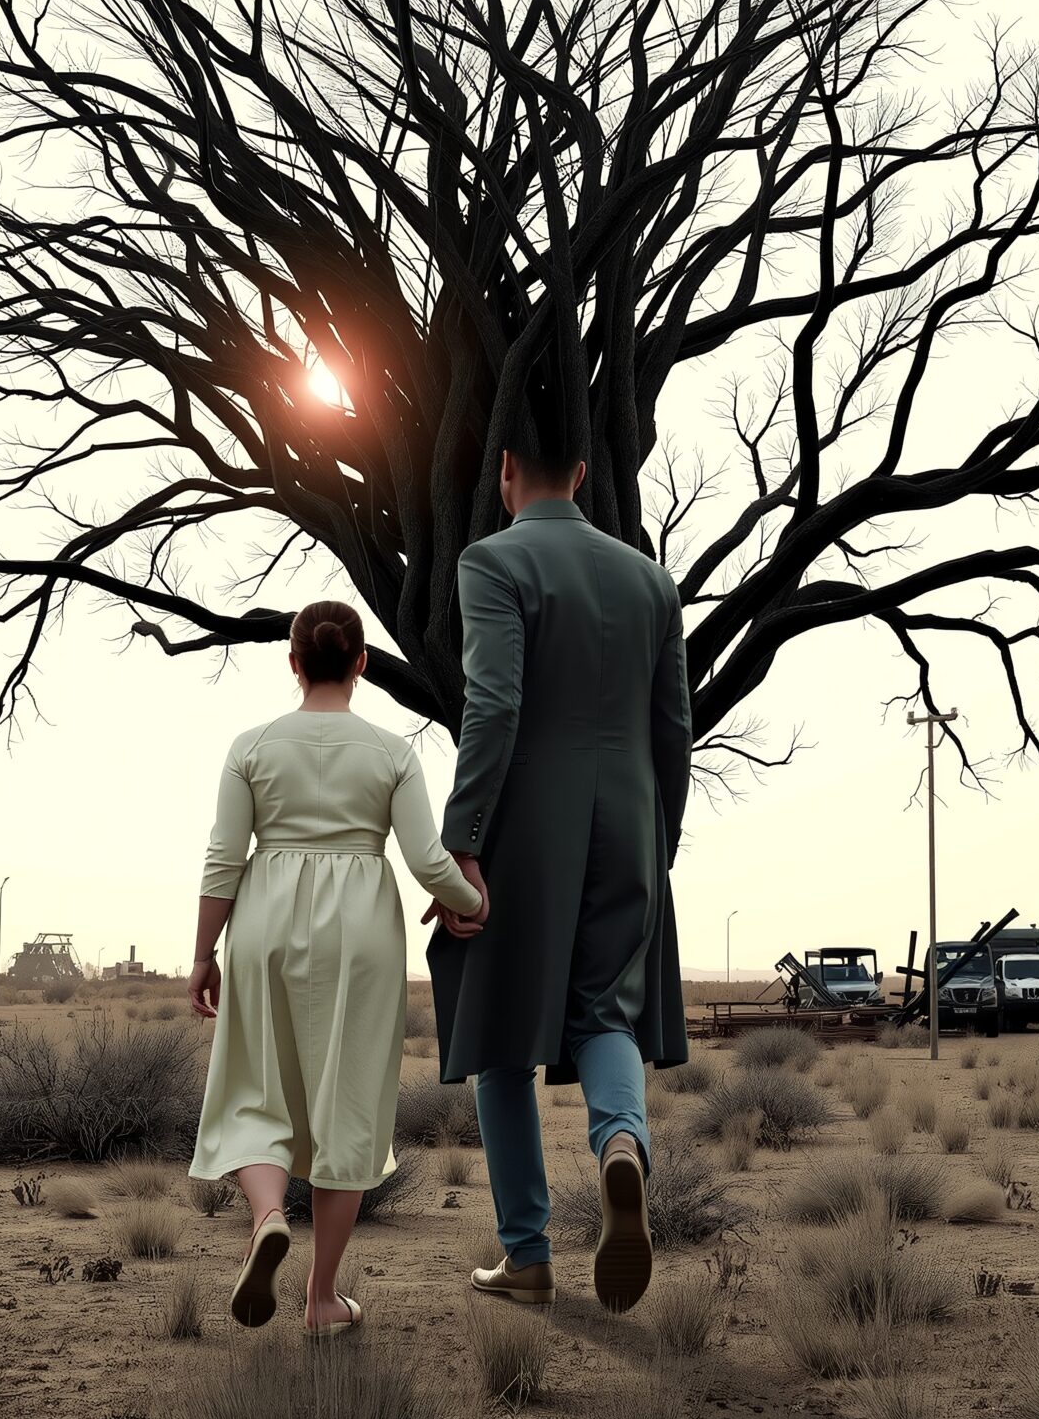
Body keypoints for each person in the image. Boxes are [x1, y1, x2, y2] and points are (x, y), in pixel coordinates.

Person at [428, 445, 692, 1314]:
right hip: (631, 820)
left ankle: (528, 1255)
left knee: (502, 1034)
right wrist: (663, 839)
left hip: (526, 827)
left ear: (503, 468)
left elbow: (493, 705)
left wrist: (461, 841)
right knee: (605, 1009)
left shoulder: (492, 561)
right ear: (582, 470)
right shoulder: (652, 583)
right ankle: (621, 1141)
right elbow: (673, 732)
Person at [186, 601, 486, 1335]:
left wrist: (203, 952)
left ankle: (265, 1218)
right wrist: (469, 900)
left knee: (255, 1087)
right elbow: (423, 858)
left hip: (264, 919)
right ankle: (321, 1298)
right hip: (361, 929)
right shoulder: (391, 750)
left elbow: (225, 856)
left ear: (293, 662)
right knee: (347, 1106)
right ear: (360, 664)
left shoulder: (251, 744)